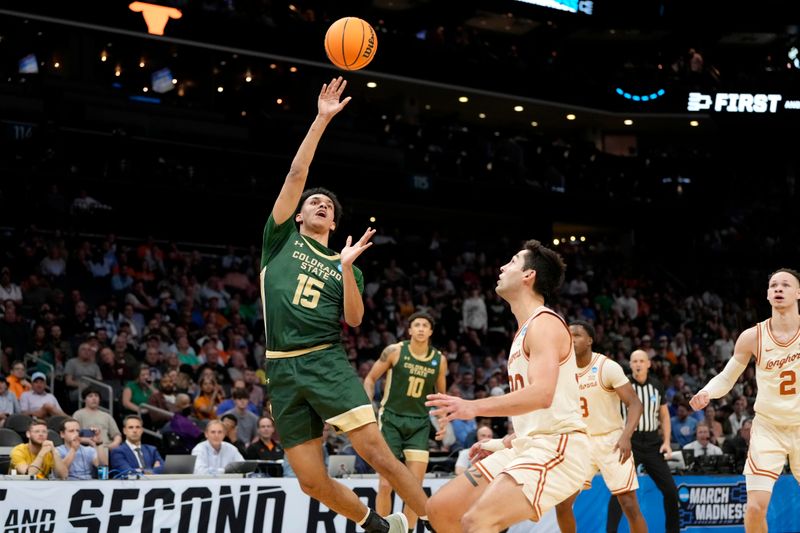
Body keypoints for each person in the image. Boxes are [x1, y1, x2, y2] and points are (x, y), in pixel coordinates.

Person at [259, 77, 428, 532]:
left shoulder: (345, 264)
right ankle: (378, 524)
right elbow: (297, 175)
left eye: (327, 206)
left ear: (333, 222)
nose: (319, 204)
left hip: (324, 361)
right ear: (298, 215)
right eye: (313, 202)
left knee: (375, 452)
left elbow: (354, 319)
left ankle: (436, 523)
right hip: (280, 368)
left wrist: (346, 268)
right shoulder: (278, 242)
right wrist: (321, 119)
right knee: (311, 481)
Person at [424, 240, 590, 533]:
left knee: (477, 521)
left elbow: (543, 395)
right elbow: (541, 414)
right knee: (441, 509)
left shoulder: (545, 323)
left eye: (512, 262)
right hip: (528, 445)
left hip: (558, 446)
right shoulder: (523, 331)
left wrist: (471, 406)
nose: (502, 267)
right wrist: (501, 442)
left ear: (529, 276)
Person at [690, 268, 800, 533]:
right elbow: (727, 378)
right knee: (753, 509)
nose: (779, 289)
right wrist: (707, 391)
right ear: (767, 294)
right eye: (774, 284)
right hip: (768, 428)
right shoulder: (753, 336)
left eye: (786, 284)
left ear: (798, 293)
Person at [554, 321, 647, 533]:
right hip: (579, 442)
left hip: (611, 440)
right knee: (562, 503)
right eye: (568, 335)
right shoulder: (561, 371)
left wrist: (625, 436)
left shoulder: (607, 367)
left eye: (577, 335)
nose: (571, 339)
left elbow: (635, 404)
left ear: (590, 340)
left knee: (629, 505)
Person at [363, 311, 447, 530]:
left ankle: (407, 531)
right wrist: (367, 405)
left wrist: (443, 422)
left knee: (414, 488)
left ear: (431, 331)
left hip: (419, 424)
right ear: (409, 330)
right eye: (416, 324)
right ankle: (381, 529)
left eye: (425, 325)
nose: (420, 328)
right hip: (391, 420)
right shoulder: (395, 351)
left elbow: (441, 397)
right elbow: (371, 379)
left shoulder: (439, 360)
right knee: (385, 483)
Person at [608, 349, 679, 533]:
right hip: (630, 442)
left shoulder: (656, 385)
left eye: (641, 360)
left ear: (648, 363)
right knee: (620, 491)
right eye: (634, 361)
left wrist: (666, 441)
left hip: (653, 443)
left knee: (671, 491)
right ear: (630, 365)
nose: (638, 364)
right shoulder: (623, 385)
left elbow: (664, 415)